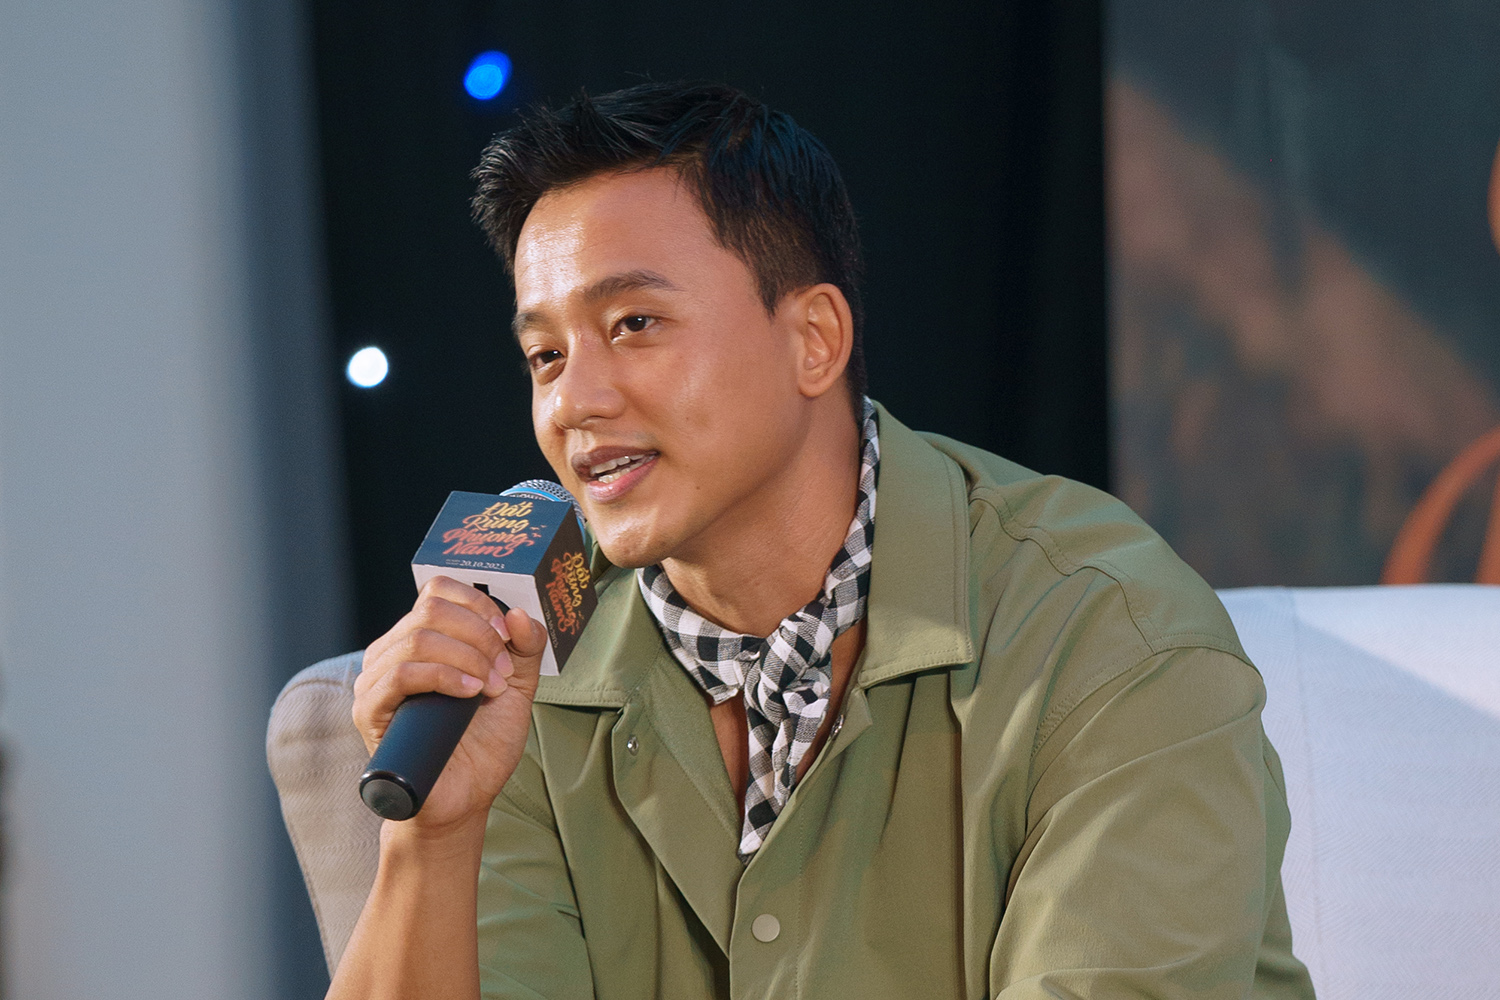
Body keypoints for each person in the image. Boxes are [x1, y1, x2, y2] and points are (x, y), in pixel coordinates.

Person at [331, 82, 1316, 1000]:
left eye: (634, 323)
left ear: (814, 340)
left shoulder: (1111, 638)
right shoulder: (522, 658)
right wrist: (434, 837)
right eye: (546, 353)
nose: (572, 402)